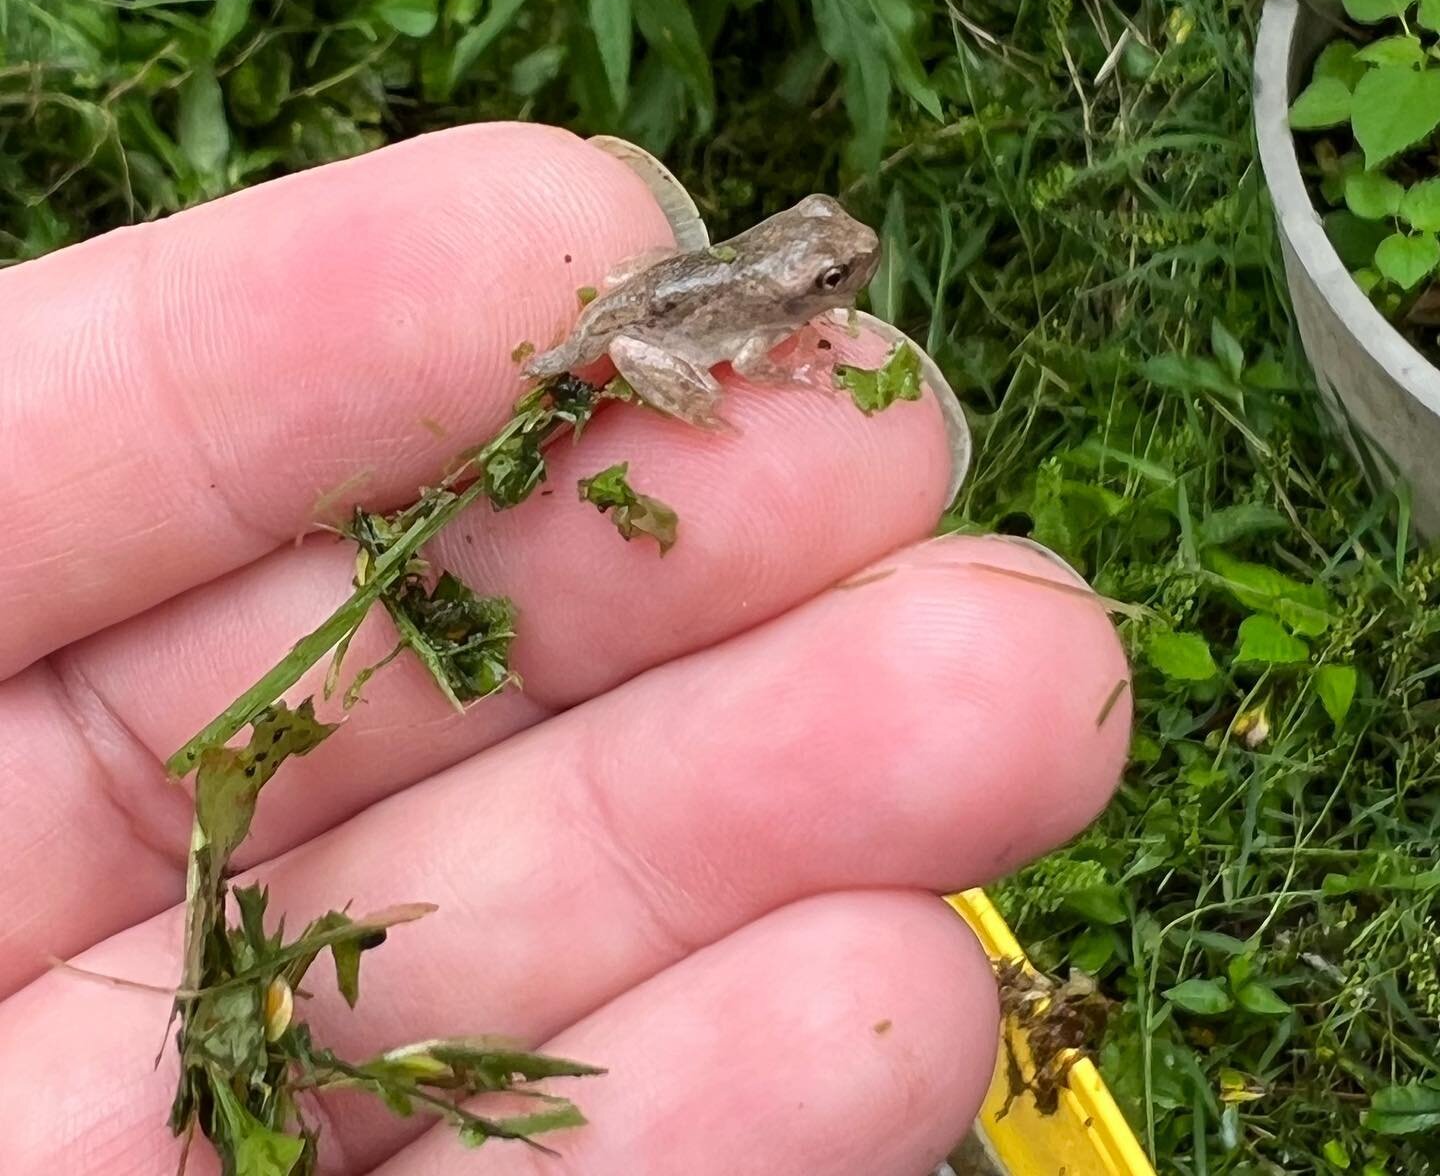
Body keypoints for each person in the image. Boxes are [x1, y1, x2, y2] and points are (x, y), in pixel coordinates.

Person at [0, 124, 1129, 1174]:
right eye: (830, 281)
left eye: (833, 275)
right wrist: (758, 370)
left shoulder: (762, 290)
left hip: (656, 308)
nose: (845, 280)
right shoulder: (762, 313)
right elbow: (741, 345)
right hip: (659, 328)